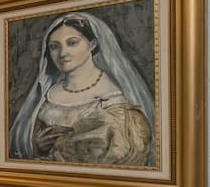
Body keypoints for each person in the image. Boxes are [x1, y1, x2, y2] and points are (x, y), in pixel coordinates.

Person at [9, 12, 155, 166]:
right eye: (54, 46)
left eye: (72, 43)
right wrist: (35, 145)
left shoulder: (114, 94)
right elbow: (21, 148)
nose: (62, 53)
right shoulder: (46, 92)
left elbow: (124, 153)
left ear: (92, 44)